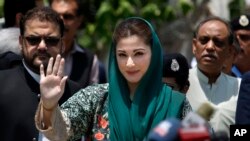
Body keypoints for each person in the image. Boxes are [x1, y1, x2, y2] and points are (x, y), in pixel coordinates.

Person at [35, 17, 192, 141]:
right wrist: (49, 106)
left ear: (154, 55)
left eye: (138, 53)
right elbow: (60, 134)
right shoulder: (96, 98)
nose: (130, 63)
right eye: (122, 55)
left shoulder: (175, 103)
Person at [0, 7, 81, 141]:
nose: (42, 46)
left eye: (51, 40)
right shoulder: (1, 85)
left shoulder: (77, 94)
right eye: (33, 39)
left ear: (62, 44)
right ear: (21, 42)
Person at [186, 17, 241, 136]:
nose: (210, 47)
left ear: (230, 51)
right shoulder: (176, 86)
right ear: (194, 46)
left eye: (218, 42)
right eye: (204, 40)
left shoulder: (241, 88)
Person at [49, 0, 107, 87]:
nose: (61, 21)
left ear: (79, 20)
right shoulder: (37, 53)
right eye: (55, 16)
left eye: (67, 16)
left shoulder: (89, 61)